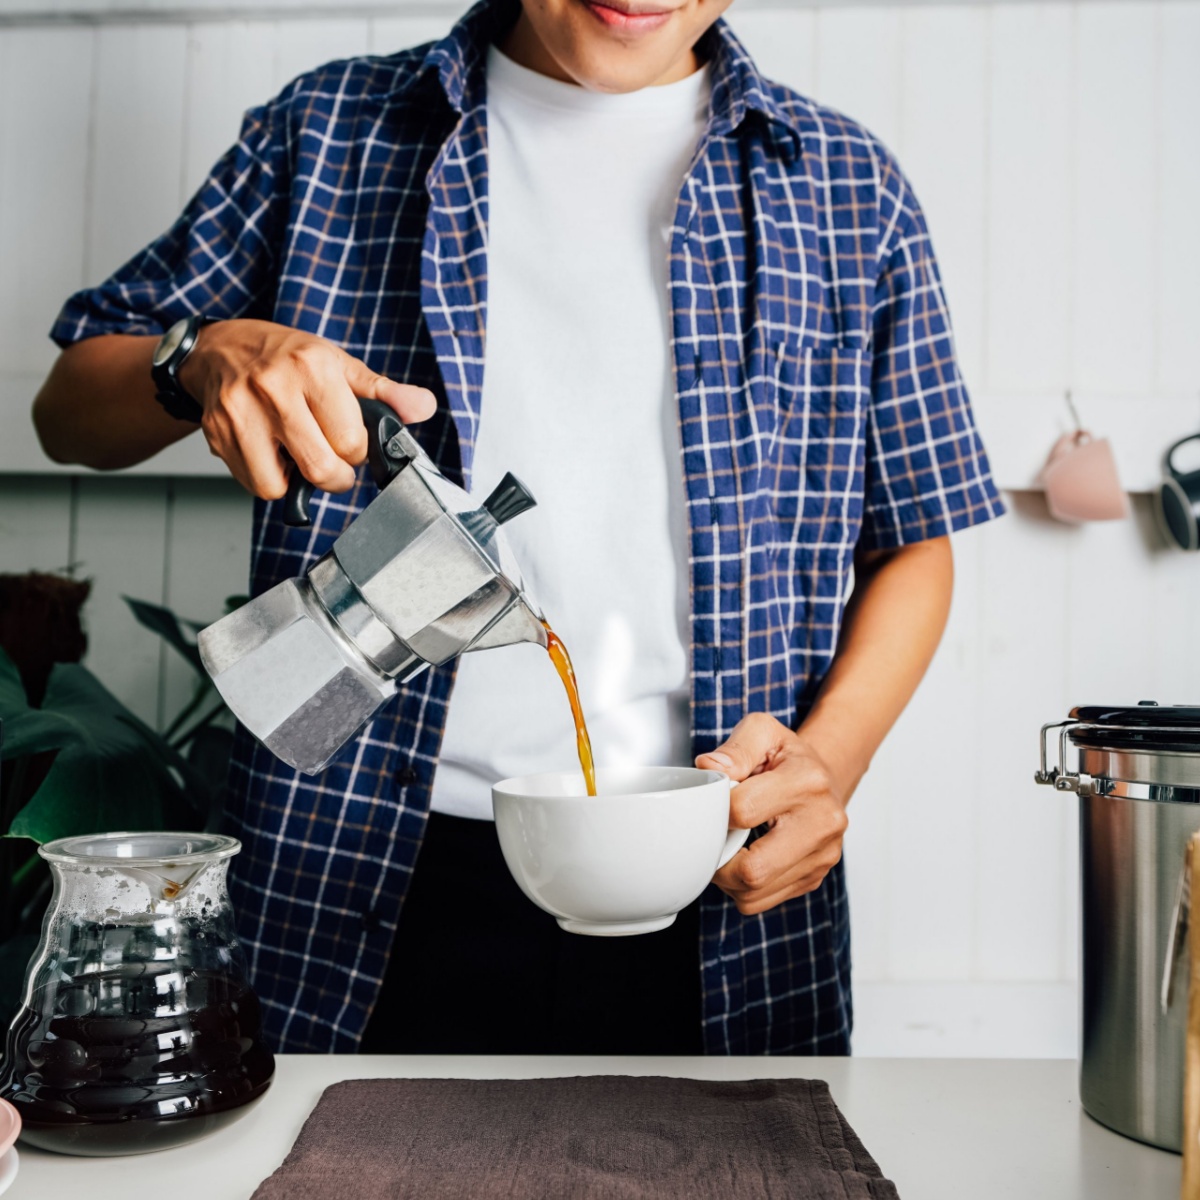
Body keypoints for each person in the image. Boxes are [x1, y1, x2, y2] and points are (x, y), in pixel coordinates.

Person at [32, 0, 1003, 1056]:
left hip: (715, 871)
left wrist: (831, 764)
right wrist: (201, 355)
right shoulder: (328, 131)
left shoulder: (846, 186)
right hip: (361, 868)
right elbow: (70, 410)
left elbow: (915, 533)